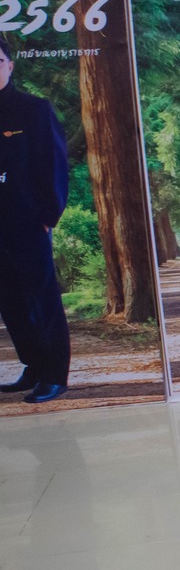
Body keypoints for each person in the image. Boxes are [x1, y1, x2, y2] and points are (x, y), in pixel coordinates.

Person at [0, 36, 71, 403]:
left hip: (28, 222)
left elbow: (56, 165)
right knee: (10, 302)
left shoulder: (34, 109)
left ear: (10, 66)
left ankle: (55, 374)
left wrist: (48, 217)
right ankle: (33, 366)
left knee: (40, 298)